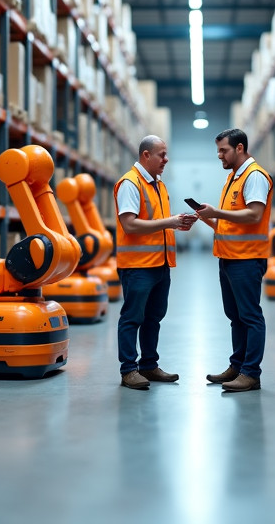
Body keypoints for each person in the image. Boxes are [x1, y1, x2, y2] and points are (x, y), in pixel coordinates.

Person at [114, 135, 197, 390]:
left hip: (159, 263)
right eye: (161, 154)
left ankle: (149, 365)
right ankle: (129, 369)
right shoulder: (130, 183)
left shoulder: (158, 185)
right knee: (132, 317)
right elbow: (129, 224)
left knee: (154, 317)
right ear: (146, 155)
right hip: (138, 265)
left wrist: (177, 225)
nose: (166, 159)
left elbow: (156, 223)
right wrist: (169, 222)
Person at [194, 128, 273, 393]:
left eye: (223, 150)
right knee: (235, 316)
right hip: (229, 258)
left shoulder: (255, 177)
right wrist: (207, 218)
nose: (219, 156)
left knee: (250, 316)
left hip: (247, 259)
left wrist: (217, 211)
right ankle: (237, 366)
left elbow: (253, 216)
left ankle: (251, 373)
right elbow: (229, 225)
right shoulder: (233, 179)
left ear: (239, 148)